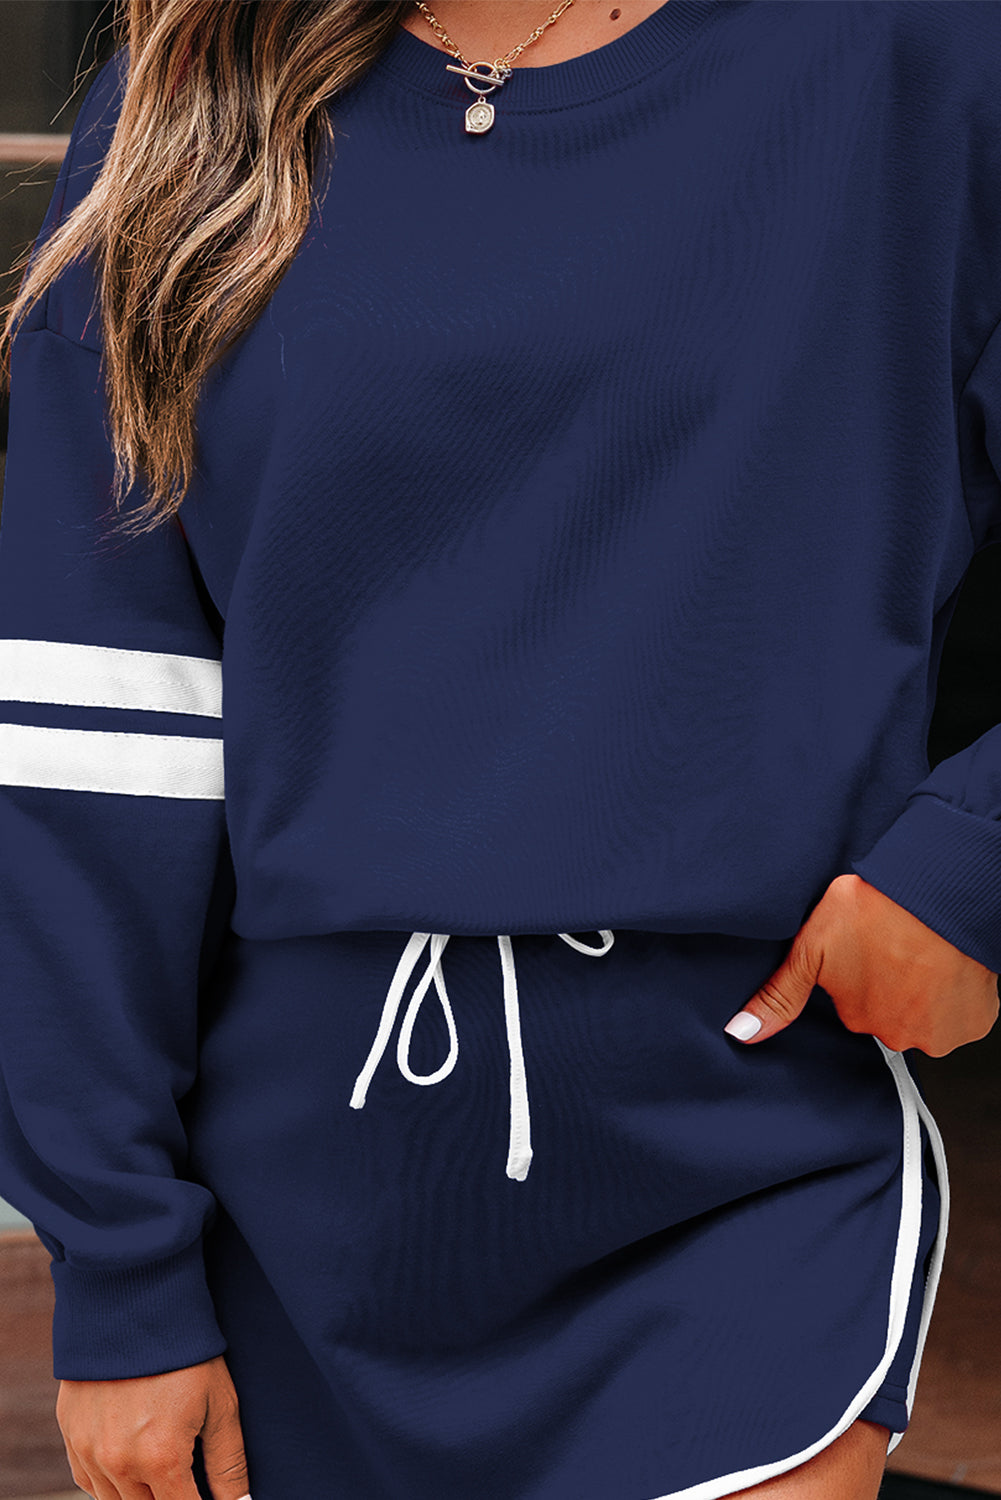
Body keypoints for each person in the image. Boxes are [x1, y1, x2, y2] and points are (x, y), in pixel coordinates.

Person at [0, 1, 998, 1496]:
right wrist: (119, 1258)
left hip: (736, 1164)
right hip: (287, 1217)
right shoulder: (188, 98)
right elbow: (97, 728)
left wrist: (968, 860)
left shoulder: (918, 55)